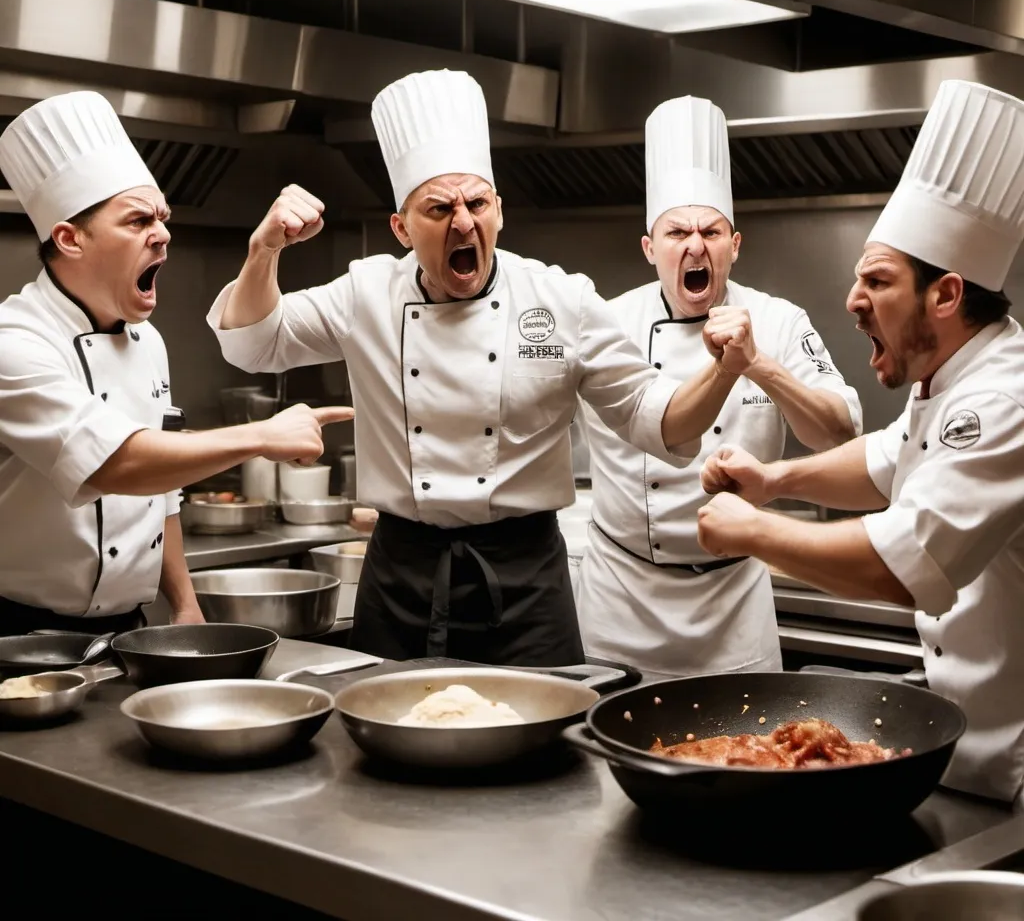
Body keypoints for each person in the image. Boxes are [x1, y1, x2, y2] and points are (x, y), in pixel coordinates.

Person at [207, 69, 750, 667]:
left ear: (499, 212)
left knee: (544, 747)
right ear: (401, 228)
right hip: (402, 574)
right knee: (391, 742)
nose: (462, 222)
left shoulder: (559, 299)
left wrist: (723, 372)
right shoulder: (366, 294)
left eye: (476, 203)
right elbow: (252, 342)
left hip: (526, 582)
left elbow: (664, 424)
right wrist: (265, 252)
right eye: (439, 208)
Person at [697, 79, 1024, 804]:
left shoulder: (1004, 400)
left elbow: (902, 567)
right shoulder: (953, 373)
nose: (852, 301)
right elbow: (885, 461)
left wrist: (754, 529)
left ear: (944, 296)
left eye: (876, 281)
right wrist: (775, 478)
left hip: (1017, 768)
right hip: (969, 753)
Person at [0, 91, 352, 637]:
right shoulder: (15, 343)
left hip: (127, 632)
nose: (163, 233)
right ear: (70, 239)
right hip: (18, 634)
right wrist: (261, 435)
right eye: (138, 220)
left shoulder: (148, 341)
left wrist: (183, 603)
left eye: (161, 216)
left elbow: (161, 485)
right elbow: (115, 464)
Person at [575, 96, 862, 676]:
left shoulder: (778, 320)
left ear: (735, 245)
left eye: (710, 230)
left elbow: (839, 434)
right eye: (677, 231)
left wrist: (760, 364)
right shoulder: (606, 322)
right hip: (619, 602)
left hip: (734, 606)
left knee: (749, 757)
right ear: (649, 249)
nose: (695, 245)